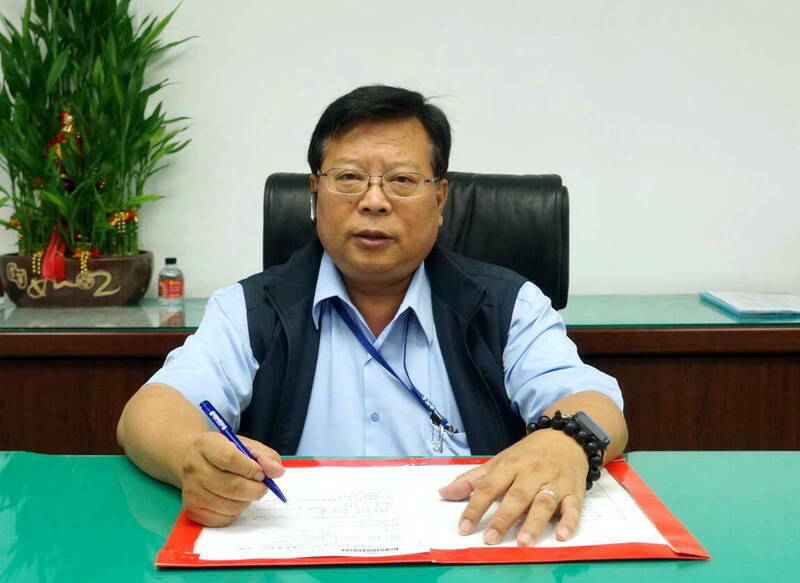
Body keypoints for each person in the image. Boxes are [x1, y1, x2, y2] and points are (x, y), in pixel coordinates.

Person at [117, 85, 627, 547]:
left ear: (440, 199)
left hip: (468, 549)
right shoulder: (249, 309)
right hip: (299, 556)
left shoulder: (508, 305)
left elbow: (593, 401)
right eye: (349, 178)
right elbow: (150, 412)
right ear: (314, 194)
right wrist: (193, 456)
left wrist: (566, 442)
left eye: (402, 180)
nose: (374, 201)